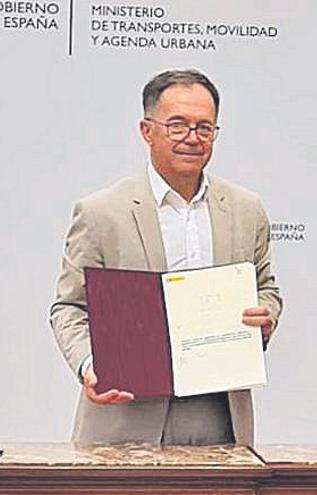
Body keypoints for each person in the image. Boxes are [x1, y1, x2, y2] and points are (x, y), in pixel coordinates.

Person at [49, 69, 282, 446]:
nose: (192, 138)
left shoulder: (246, 208)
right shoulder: (100, 212)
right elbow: (69, 307)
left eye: (204, 128)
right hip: (123, 417)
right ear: (147, 130)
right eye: (177, 126)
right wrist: (91, 366)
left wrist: (265, 313)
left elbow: (266, 288)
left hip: (220, 416)